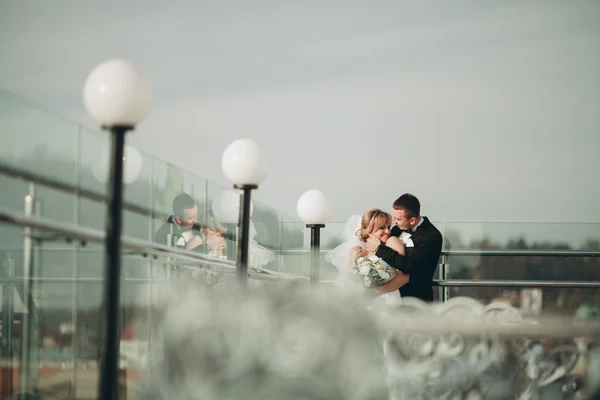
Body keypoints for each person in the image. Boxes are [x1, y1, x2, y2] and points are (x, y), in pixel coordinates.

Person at [366, 193, 442, 302]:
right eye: (394, 218)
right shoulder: (397, 229)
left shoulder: (431, 236)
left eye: (398, 219)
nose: (393, 222)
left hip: (416, 299)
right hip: (391, 296)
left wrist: (379, 248)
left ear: (412, 221)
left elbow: (410, 266)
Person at [325, 208, 409, 303]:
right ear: (370, 229)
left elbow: (404, 277)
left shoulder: (392, 242)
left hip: (387, 299)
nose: (388, 231)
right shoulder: (360, 252)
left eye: (388, 227)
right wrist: (352, 261)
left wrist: (377, 291)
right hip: (366, 302)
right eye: (382, 227)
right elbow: (352, 281)